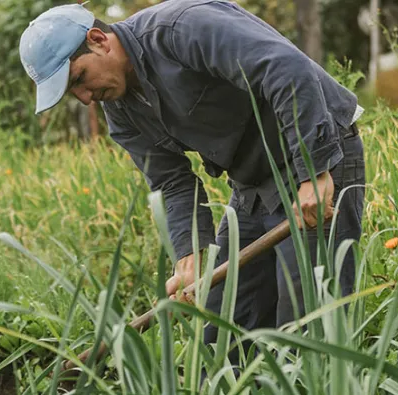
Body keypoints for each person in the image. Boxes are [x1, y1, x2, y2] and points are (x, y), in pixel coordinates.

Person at [19, 0, 365, 359]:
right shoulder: (120, 109)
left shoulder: (180, 30)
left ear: (98, 40)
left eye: (79, 79)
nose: (86, 98)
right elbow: (171, 181)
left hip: (317, 155)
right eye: (72, 94)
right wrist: (190, 254)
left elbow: (285, 69)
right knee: (223, 333)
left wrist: (313, 169)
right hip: (252, 185)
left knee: (306, 330)